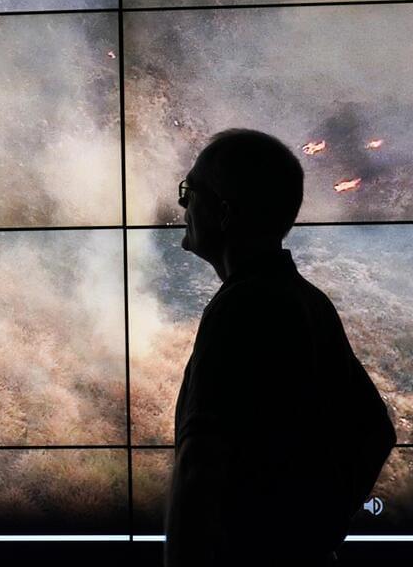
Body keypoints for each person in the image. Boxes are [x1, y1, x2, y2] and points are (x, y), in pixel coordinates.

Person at [165, 129, 396, 567]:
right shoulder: (307, 298)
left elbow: (200, 466)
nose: (182, 205)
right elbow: (375, 430)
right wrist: (313, 533)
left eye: (189, 193)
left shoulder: (240, 306)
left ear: (224, 213)